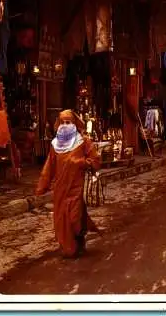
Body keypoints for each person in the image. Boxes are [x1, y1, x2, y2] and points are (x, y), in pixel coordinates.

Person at [35, 110, 101, 258]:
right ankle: (71, 247)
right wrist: (41, 187)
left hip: (76, 188)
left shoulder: (83, 141)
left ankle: (79, 240)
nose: (65, 125)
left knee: (74, 218)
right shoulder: (55, 145)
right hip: (60, 190)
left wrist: (80, 162)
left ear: (74, 124)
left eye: (68, 122)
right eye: (63, 122)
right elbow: (49, 167)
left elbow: (95, 161)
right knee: (61, 220)